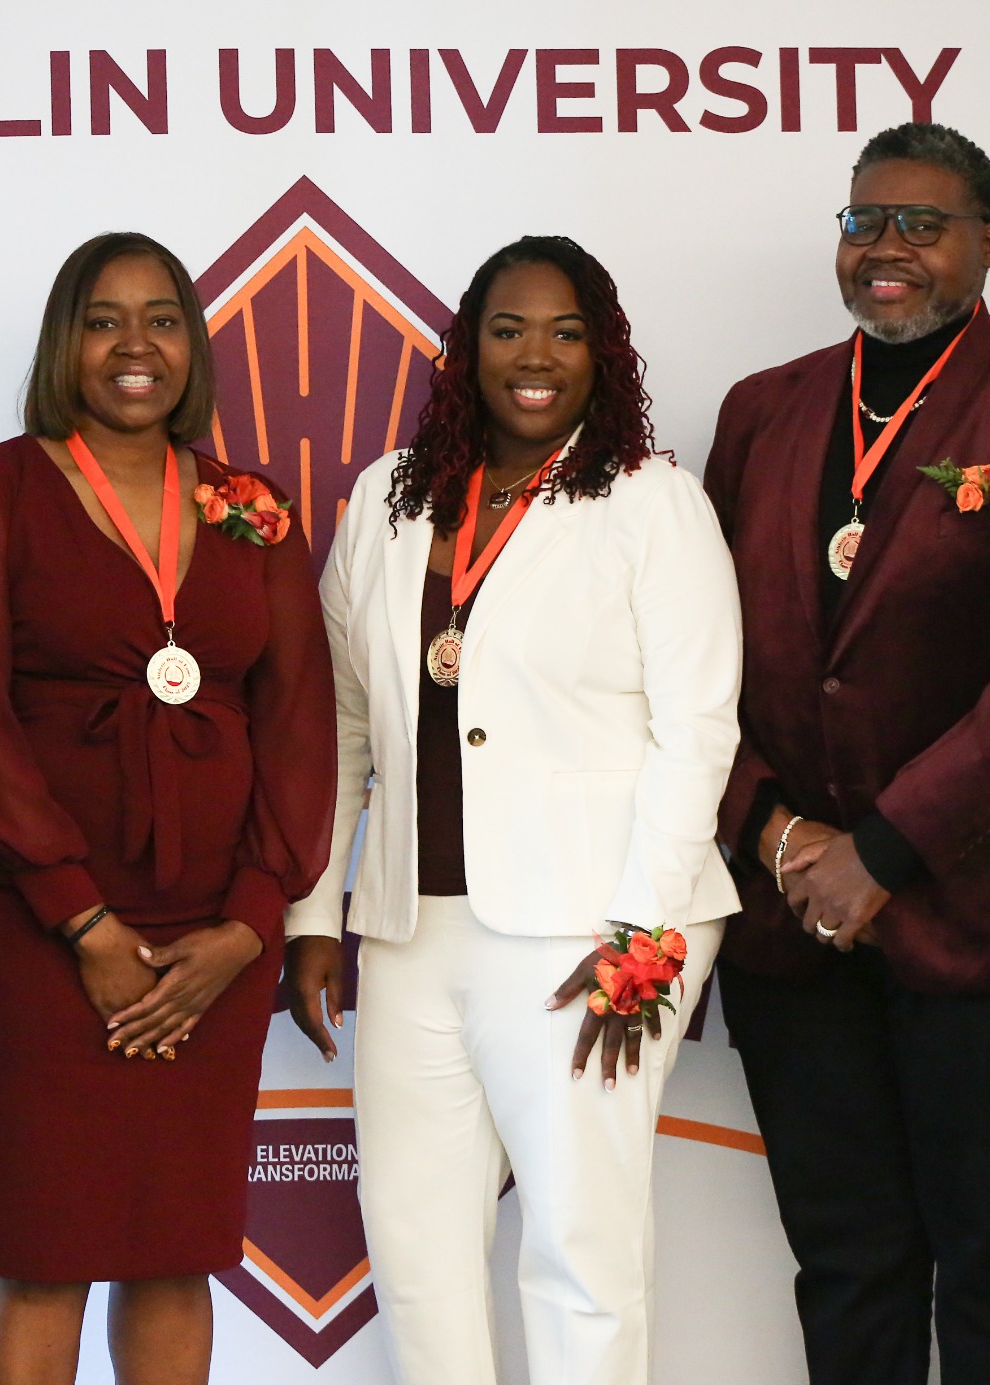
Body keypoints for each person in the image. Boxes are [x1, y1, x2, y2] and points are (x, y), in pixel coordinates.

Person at [703, 122, 990, 1383]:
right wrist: (780, 835)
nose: (884, 247)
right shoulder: (763, 410)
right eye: (862, 222)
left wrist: (884, 850)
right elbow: (696, 667)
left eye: (919, 223)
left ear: (986, 246)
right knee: (846, 1269)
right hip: (796, 934)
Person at [283, 236, 742, 1385]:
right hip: (408, 926)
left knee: (580, 1249)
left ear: (604, 355)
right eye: (507, 330)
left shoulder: (651, 502)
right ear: (465, 348)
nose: (534, 357)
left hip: (590, 933)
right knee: (416, 1245)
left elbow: (699, 731)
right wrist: (309, 914)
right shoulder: (388, 500)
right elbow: (340, 725)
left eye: (565, 332)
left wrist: (643, 937)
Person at [0, 232, 336, 1385]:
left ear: (191, 346)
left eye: (160, 318)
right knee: (42, 1252)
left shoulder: (255, 508)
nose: (134, 345)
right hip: (29, 930)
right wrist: (81, 920)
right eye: (104, 319)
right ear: (65, 342)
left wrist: (250, 922)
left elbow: (298, 724)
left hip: (214, 931)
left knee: (171, 1249)